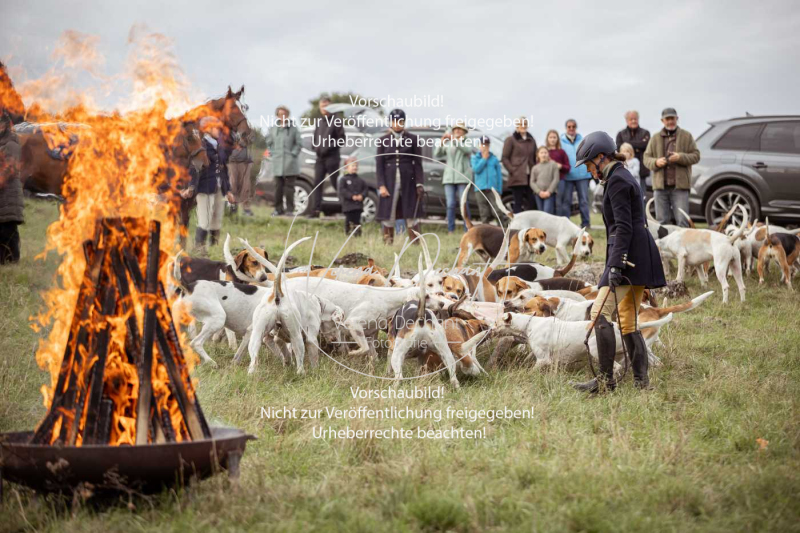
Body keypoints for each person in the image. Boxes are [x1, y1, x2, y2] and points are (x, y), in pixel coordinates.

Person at [571, 131, 666, 394]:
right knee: (627, 318)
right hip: (637, 255)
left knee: (599, 313)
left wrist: (616, 264)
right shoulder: (621, 176)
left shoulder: (617, 181)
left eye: (589, 164)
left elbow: (623, 227)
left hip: (628, 257)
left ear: (601, 157)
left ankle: (605, 382)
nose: (588, 170)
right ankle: (641, 382)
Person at [182, 116, 235, 256]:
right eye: (216, 128)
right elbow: (195, 167)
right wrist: (191, 186)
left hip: (219, 186)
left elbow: (223, 168)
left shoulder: (218, 144)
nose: (219, 130)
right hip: (204, 186)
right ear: (208, 129)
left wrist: (228, 190)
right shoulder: (201, 145)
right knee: (204, 218)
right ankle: (199, 247)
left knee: (217, 218)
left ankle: (214, 246)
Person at [643, 108, 700, 227]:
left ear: (677, 119)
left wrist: (680, 157)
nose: (670, 121)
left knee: (682, 222)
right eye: (667, 119)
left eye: (672, 118)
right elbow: (646, 158)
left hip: (680, 188)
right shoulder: (655, 138)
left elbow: (696, 156)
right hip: (660, 188)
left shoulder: (687, 136)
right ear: (662, 120)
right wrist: (656, 162)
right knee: (661, 223)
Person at [375, 108, 424, 245]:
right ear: (390, 122)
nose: (397, 124)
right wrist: (381, 185)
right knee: (389, 212)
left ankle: (415, 244)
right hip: (389, 181)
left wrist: (419, 183)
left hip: (409, 180)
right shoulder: (383, 140)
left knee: (411, 212)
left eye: (400, 121)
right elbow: (379, 165)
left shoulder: (413, 139)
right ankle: (388, 243)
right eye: (395, 121)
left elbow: (418, 163)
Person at [309, 97, 346, 218]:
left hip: (332, 158)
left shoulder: (337, 120)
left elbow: (342, 140)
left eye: (326, 106)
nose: (324, 109)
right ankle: (315, 211)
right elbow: (315, 137)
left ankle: (346, 209)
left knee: (336, 184)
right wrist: (315, 147)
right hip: (320, 158)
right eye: (322, 106)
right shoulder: (319, 121)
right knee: (317, 184)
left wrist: (328, 147)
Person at [435, 120, 472, 232]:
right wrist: (441, 142)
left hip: (462, 177)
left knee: (463, 203)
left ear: (464, 131)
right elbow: (437, 154)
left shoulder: (467, 141)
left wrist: (453, 140)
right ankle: (451, 229)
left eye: (460, 129)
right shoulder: (449, 142)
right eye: (455, 129)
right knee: (450, 204)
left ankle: (467, 229)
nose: (457, 131)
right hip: (449, 178)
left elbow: (467, 150)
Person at [265, 105, 303, 216]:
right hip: (277, 163)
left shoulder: (294, 129)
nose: (282, 116)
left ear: (288, 115)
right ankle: (278, 209)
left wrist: (293, 154)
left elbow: (299, 144)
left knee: (289, 189)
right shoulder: (273, 129)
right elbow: (269, 143)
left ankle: (290, 210)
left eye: (284, 114)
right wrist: (273, 154)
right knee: (278, 188)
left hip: (290, 164)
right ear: (277, 116)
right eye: (280, 114)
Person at [559, 119, 592, 227]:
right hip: (568, 175)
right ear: (566, 128)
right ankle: (566, 224)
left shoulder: (583, 140)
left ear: (576, 128)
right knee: (566, 201)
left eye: (573, 126)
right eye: (569, 126)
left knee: (583, 201)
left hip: (582, 175)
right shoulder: (560, 142)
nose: (571, 128)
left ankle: (586, 223)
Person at [0, 111, 23, 264]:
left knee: (8, 229)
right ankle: (5, 260)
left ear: (6, 125)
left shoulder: (11, 143)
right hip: (2, 193)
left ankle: (13, 261)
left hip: (9, 192)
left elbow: (10, 169)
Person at [502, 116, 536, 213]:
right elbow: (504, 158)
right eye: (521, 124)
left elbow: (535, 156)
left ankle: (530, 222)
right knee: (518, 202)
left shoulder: (531, 140)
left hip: (530, 176)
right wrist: (512, 170)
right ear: (517, 126)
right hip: (517, 177)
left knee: (531, 202)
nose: (523, 126)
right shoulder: (510, 140)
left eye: (525, 124)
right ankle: (517, 222)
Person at [615, 110, 651, 195]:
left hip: (642, 171)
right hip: (624, 172)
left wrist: (627, 144)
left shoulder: (645, 133)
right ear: (627, 120)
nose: (633, 121)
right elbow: (618, 148)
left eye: (635, 119)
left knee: (641, 195)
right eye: (631, 119)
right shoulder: (620, 134)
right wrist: (638, 146)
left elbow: (645, 145)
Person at [471, 136, 503, 224]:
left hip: (492, 189)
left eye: (487, 145)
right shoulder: (475, 158)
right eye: (483, 145)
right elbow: (476, 170)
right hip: (480, 188)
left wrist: (499, 190)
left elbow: (499, 176)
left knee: (497, 210)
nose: (485, 147)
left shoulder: (494, 159)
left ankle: (502, 227)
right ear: (479, 145)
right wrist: (484, 159)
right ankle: (486, 229)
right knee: (484, 212)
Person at [227, 124, 254, 216]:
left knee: (246, 186)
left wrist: (244, 136)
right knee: (233, 184)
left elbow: (251, 139)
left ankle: (246, 208)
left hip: (246, 162)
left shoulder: (247, 129)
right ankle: (232, 205)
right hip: (232, 162)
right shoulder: (227, 130)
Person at [338, 157, 366, 237]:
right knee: (349, 220)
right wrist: (351, 196)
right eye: (352, 166)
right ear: (347, 167)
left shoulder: (360, 180)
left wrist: (362, 196)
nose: (355, 167)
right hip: (348, 206)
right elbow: (342, 190)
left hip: (358, 206)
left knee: (357, 221)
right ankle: (348, 234)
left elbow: (365, 190)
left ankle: (357, 234)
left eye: (356, 166)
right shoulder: (343, 179)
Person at [544, 129, 570, 212]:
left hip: (560, 181)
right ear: (547, 138)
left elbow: (568, 168)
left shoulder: (561, 152)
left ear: (557, 139)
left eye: (554, 137)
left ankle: (559, 219)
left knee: (559, 203)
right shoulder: (544, 152)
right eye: (550, 137)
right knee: (549, 203)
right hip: (547, 181)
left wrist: (560, 166)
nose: (552, 139)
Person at [530, 146, 559, 214]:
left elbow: (556, 179)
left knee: (547, 212)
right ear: (538, 155)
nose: (543, 154)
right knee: (541, 213)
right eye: (541, 153)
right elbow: (532, 182)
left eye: (545, 152)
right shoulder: (535, 168)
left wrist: (549, 191)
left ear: (548, 154)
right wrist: (539, 192)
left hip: (550, 194)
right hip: (538, 194)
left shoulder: (553, 164)